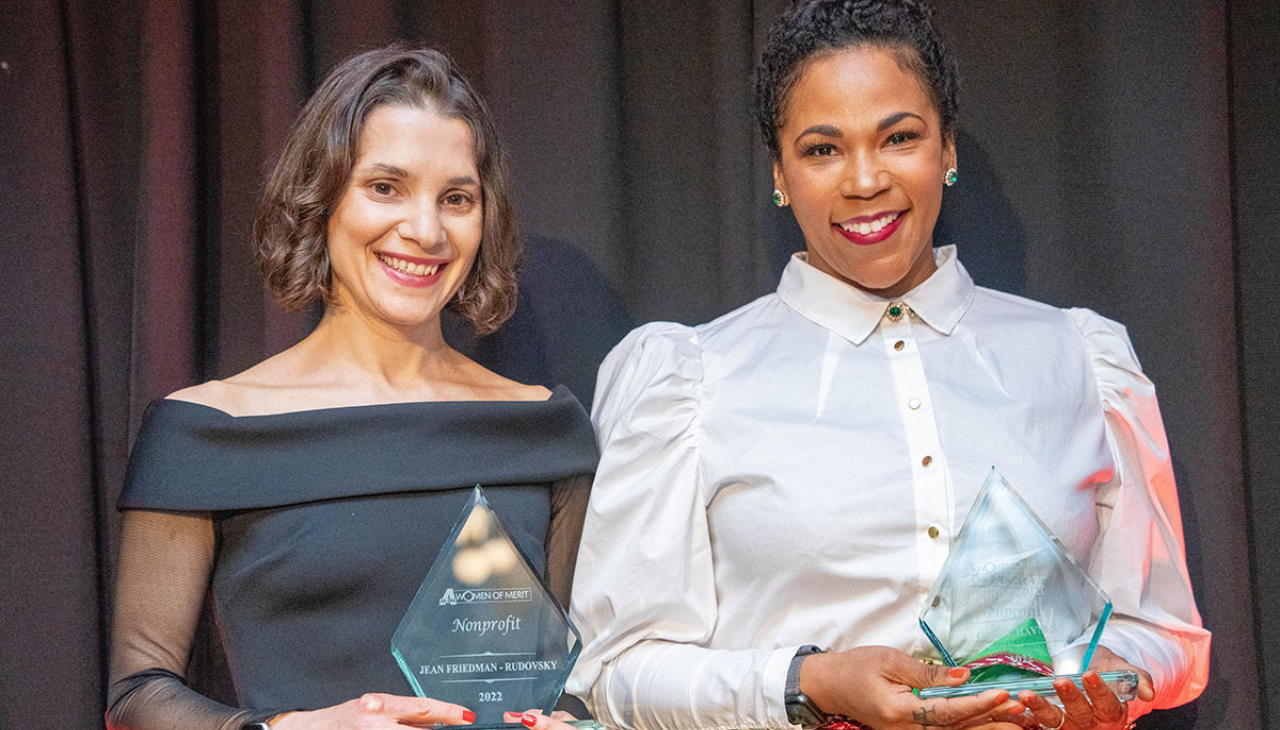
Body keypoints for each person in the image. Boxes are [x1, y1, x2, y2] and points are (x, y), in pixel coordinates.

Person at [565, 2, 1209, 730]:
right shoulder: (688, 380)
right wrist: (808, 680)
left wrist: (1102, 684)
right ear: (780, 173)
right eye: (822, 149)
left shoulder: (1080, 360)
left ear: (948, 149)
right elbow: (617, 673)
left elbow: (1166, 635)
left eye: (899, 137)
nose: (865, 179)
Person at [105, 46, 597, 730]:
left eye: (456, 198)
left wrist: (566, 719)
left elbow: (551, 682)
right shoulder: (204, 432)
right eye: (385, 188)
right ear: (322, 197)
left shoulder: (546, 431)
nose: (425, 231)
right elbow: (137, 696)